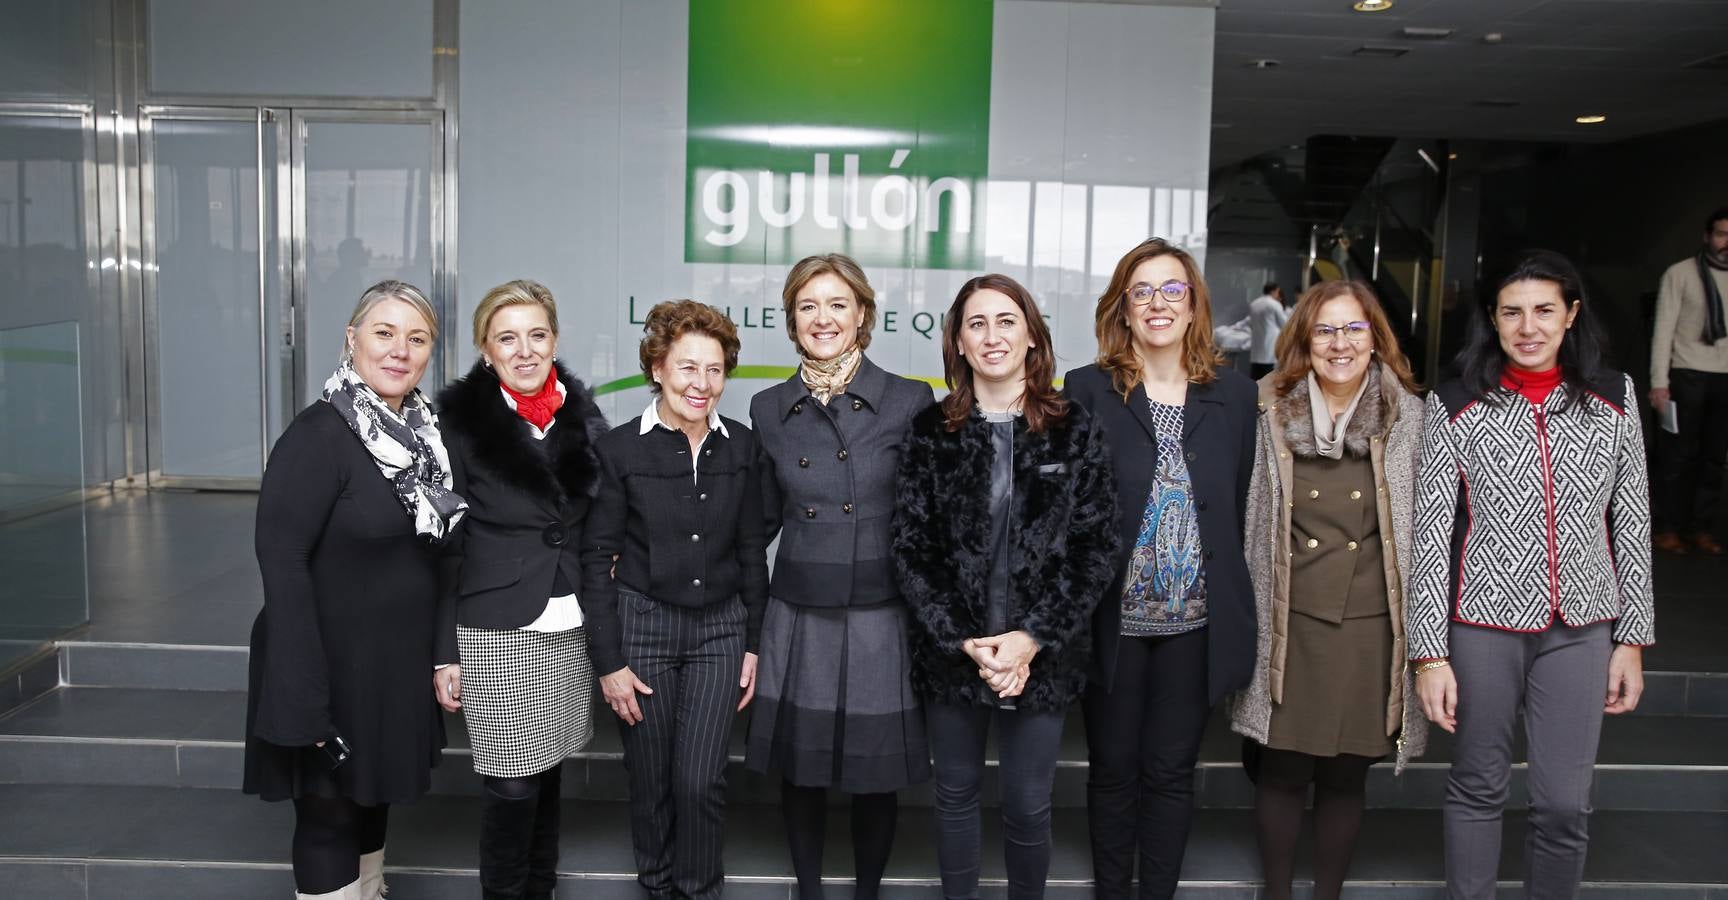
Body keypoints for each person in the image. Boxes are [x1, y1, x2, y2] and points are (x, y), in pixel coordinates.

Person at [1409, 250, 1654, 899]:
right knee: (1477, 786)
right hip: (1482, 622)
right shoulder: (1456, 401)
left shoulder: (1614, 395)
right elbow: (1431, 531)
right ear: (1492, 318)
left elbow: (1631, 517)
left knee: (1565, 804)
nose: (1528, 326)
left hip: (1584, 626)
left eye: (1545, 309)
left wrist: (1631, 638)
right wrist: (1428, 653)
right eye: (1512, 311)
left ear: (1571, 314)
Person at [891, 273, 1119, 900]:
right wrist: (966, 641)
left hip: (1041, 657)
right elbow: (913, 549)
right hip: (955, 656)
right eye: (976, 324)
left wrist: (1031, 639)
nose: (992, 337)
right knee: (955, 797)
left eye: (1006, 321)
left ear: (1032, 337)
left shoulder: (1075, 428)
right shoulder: (930, 432)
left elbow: (1095, 547)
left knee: (1027, 804)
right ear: (958, 343)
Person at [243, 281, 466, 900]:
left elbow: (443, 556)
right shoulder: (318, 436)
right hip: (324, 662)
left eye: (416, 338)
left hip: (392, 662)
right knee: (330, 812)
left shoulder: (427, 440)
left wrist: (440, 652)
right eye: (384, 332)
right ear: (352, 339)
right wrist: (303, 693)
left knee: (372, 801)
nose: (400, 350)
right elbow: (281, 562)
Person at [1064, 238, 1258, 900]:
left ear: (1194, 302)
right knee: (1113, 769)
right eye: (1141, 290)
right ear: (1122, 305)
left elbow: (1238, 500)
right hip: (1112, 617)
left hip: (1196, 619)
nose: (1157, 303)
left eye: (1172, 289)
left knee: (1172, 772)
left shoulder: (1235, 394)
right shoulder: (1087, 389)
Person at [1229, 281, 1428, 900]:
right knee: (1283, 770)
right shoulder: (1265, 410)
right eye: (1325, 330)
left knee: (1346, 775)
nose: (1340, 343)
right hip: (1289, 613)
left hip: (1371, 621)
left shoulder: (1411, 415)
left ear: (1376, 339)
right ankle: (1279, 893)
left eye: (1354, 329)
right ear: (1302, 341)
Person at [746, 254, 935, 900]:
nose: (822, 318)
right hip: (800, 607)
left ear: (863, 315)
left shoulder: (910, 399)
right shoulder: (769, 406)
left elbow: (926, 516)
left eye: (836, 304)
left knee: (872, 771)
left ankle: (866, 893)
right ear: (792, 320)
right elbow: (758, 520)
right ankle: (810, 889)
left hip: (880, 609)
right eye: (808, 306)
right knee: (802, 770)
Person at [581, 300, 770, 900]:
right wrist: (609, 662)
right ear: (658, 367)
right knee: (651, 778)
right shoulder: (618, 452)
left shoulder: (742, 447)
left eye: (714, 370)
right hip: (643, 630)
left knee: (699, 781)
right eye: (687, 368)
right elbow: (595, 561)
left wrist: (754, 644)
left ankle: (698, 891)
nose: (702, 384)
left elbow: (751, 552)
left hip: (720, 632)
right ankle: (656, 886)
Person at [434, 279, 609, 900]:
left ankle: (542, 889)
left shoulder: (583, 416)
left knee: (549, 772)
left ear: (554, 339)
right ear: (486, 350)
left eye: (537, 335)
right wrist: (443, 649)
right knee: (512, 782)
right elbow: (444, 546)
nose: (525, 350)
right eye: (508, 338)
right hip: (497, 624)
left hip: (568, 619)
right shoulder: (455, 424)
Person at [1649, 207, 1728, 556]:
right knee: (1677, 456)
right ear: (1707, 237)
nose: (1727, 243)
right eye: (1722, 234)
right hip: (1685, 374)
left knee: (1713, 458)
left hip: (1724, 377)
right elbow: (1663, 329)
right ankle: (1667, 527)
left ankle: (1701, 528)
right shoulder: (1680, 274)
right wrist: (1658, 382)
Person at [1240, 282, 1291, 380]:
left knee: (1255, 379)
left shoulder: (1254, 303)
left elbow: (1250, 322)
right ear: (1275, 291)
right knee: (1267, 380)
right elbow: (1284, 324)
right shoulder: (1274, 304)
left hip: (1256, 351)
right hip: (1270, 350)